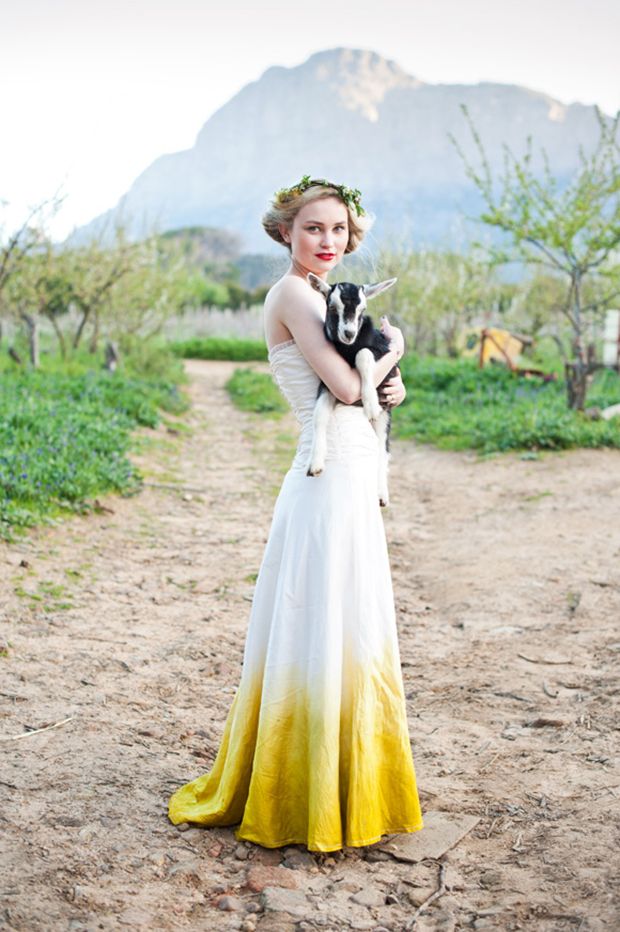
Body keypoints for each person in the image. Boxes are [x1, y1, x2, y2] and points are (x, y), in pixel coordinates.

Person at [168, 177, 423, 851]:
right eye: (314, 228)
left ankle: (346, 785)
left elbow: (371, 394)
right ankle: (303, 788)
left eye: (338, 230)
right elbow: (344, 386)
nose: (327, 242)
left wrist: (389, 382)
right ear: (286, 232)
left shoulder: (325, 298)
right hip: (325, 480)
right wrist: (393, 349)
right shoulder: (290, 294)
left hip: (351, 473)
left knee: (349, 624)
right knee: (322, 624)